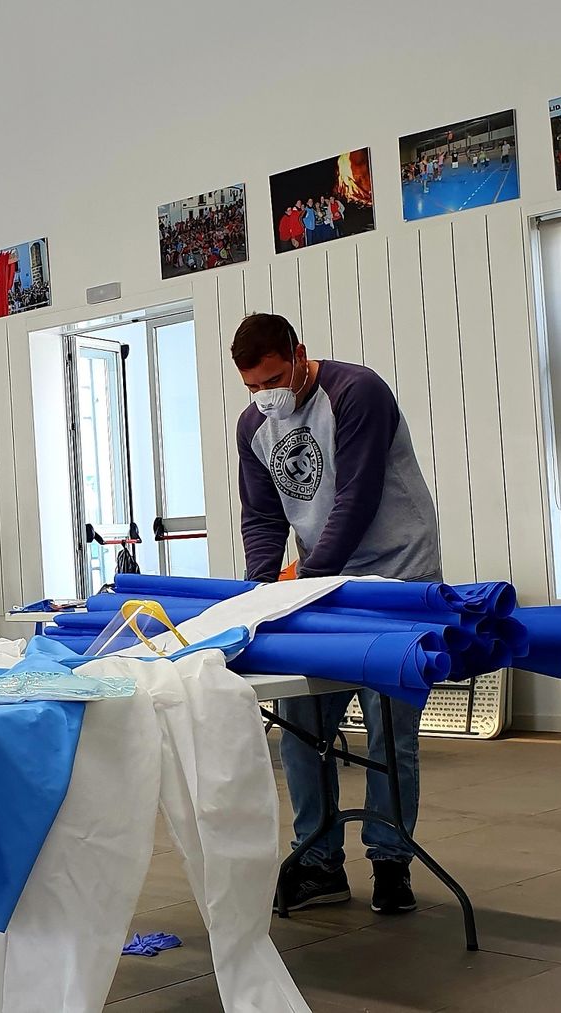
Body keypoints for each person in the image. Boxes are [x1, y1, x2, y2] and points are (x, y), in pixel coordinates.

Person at [230, 313, 441, 918]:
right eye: (251, 387)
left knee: (389, 728)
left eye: (272, 378)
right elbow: (264, 519)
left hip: (396, 580)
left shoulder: (356, 391)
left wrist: (311, 578)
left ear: (299, 355)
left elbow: (358, 493)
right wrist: (264, 591)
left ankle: (391, 860)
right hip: (324, 585)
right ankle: (318, 861)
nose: (264, 395)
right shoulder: (256, 426)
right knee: (301, 723)